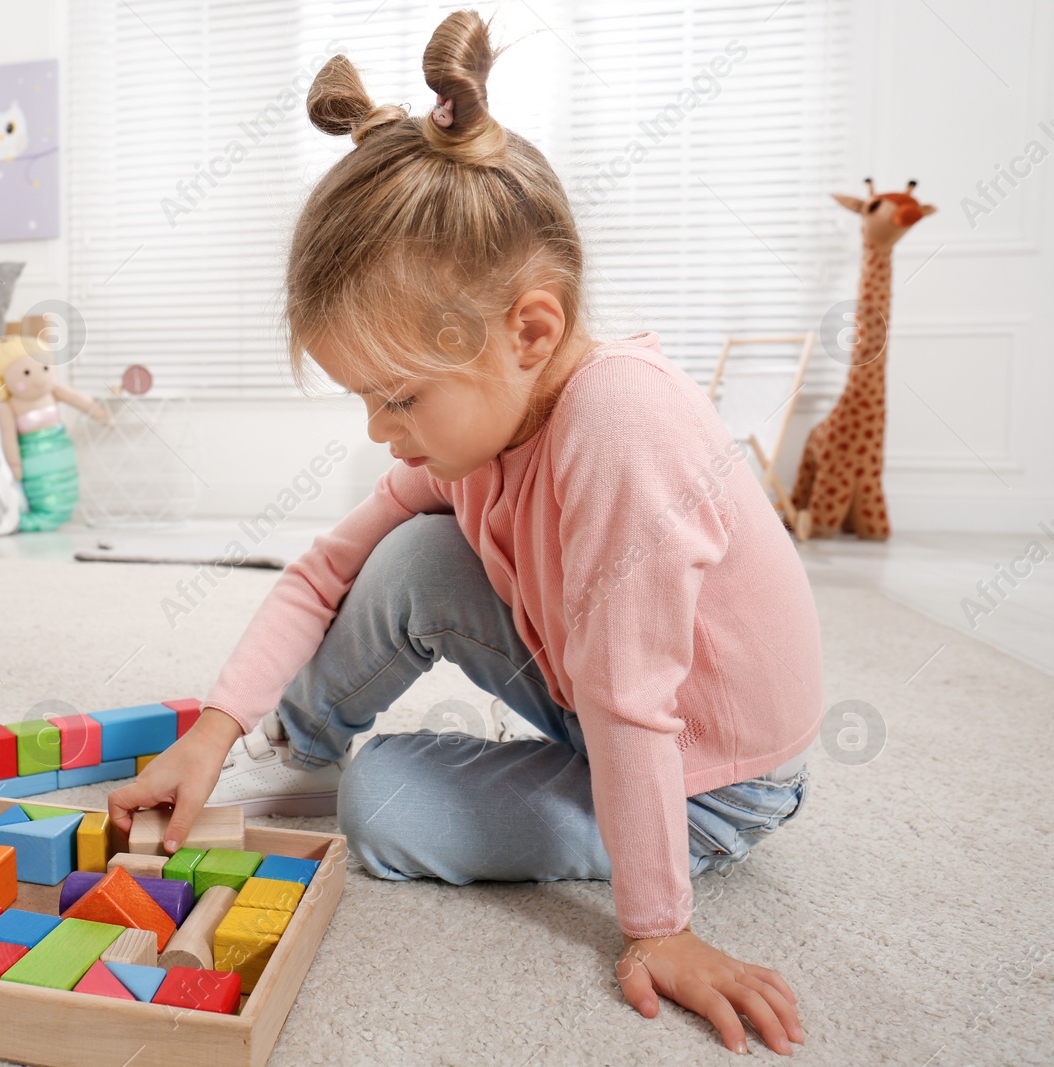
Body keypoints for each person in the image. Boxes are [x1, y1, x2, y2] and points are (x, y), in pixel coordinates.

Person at [109, 10, 816, 1056]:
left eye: (396, 398)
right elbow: (324, 575)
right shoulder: (480, 428)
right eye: (364, 400)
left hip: (709, 772)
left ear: (529, 330)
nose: (378, 434)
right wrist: (216, 730)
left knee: (384, 805)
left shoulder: (620, 430)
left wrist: (657, 926)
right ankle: (293, 754)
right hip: (598, 699)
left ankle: (639, 847)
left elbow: (633, 699)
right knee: (408, 555)